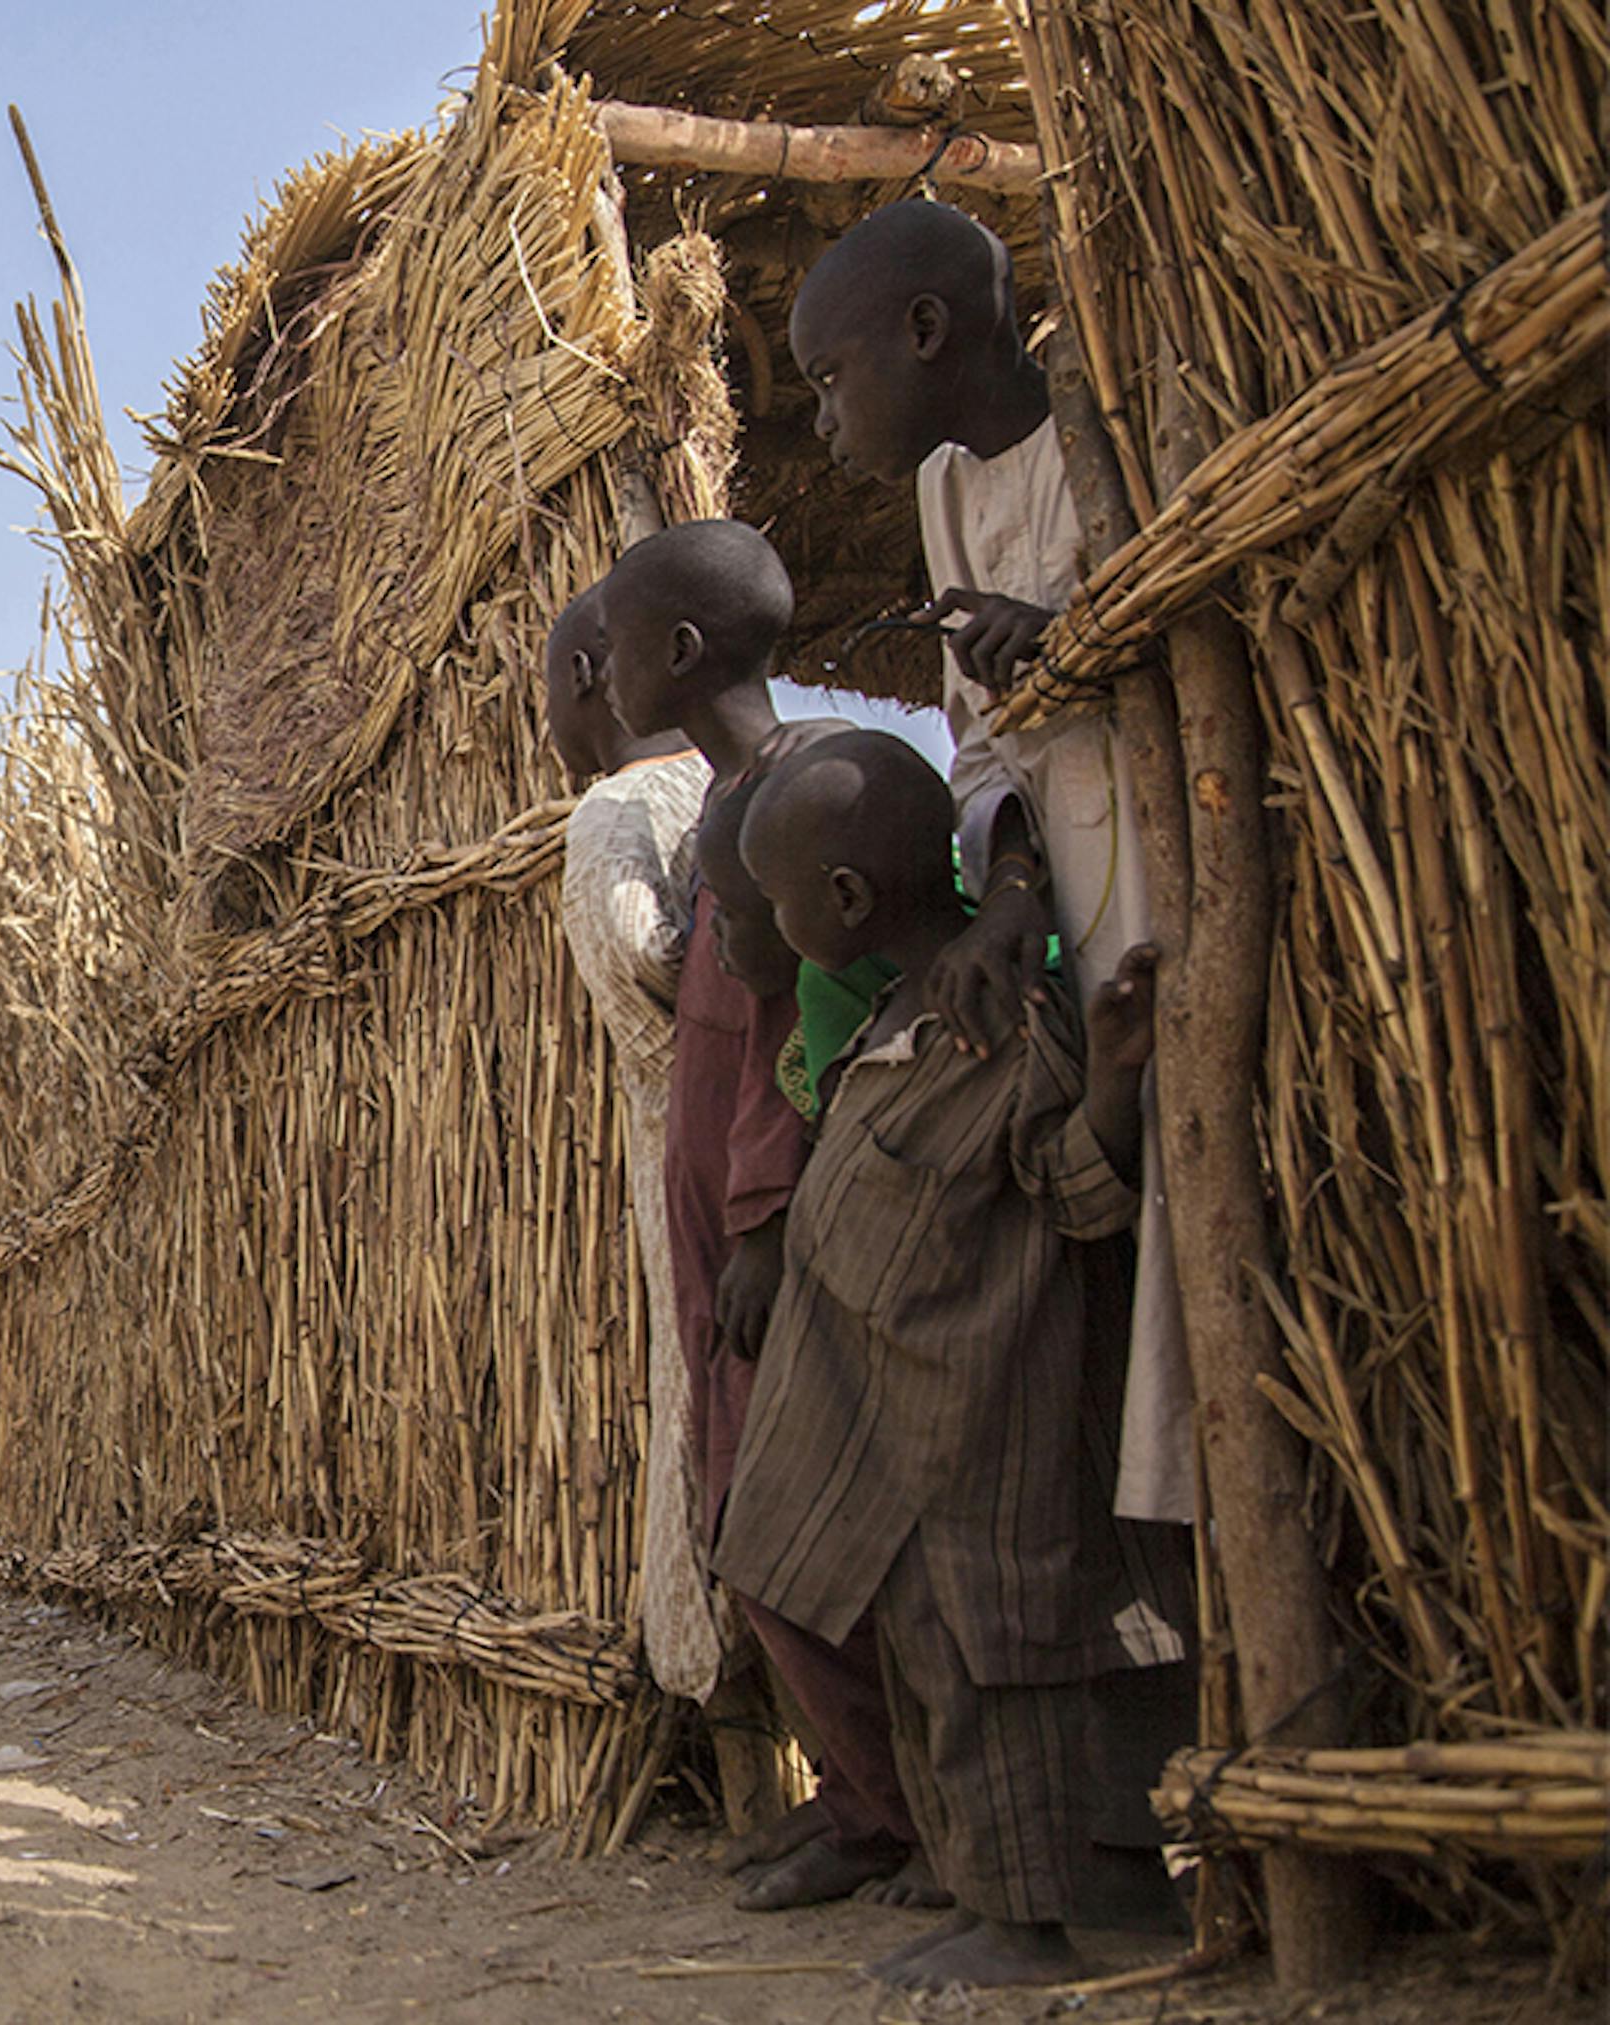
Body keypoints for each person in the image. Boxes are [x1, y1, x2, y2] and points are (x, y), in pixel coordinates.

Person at [790, 202, 1196, 1925]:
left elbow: (1173, 634)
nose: (818, 419)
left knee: (1177, 1345)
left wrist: (1089, 638)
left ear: (934, 332)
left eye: (828, 376)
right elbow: (991, 739)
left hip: (1177, 893)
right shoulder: (947, 494)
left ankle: (1142, 1827)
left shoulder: (1110, 425)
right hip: (1070, 920)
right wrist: (1006, 896)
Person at [713, 730, 1160, 1990]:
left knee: (993, 1661)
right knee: (931, 1658)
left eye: (781, 901)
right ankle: (1001, 1890)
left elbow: (1071, 1192)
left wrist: (1117, 1088)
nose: (774, 925)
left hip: (977, 1409)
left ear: (843, 900)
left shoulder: (1000, 1026)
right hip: (889, 1416)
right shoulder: (907, 1017)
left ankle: (1022, 1924)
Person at [598, 521, 929, 1915]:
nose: (593, 668)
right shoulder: (740, 805)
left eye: (605, 643)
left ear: (675, 653)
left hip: (776, 1247)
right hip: (735, 1243)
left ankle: (897, 1813)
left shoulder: (796, 806)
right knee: (758, 1519)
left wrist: (766, 1223)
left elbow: (808, 1037)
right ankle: (862, 1801)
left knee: (784, 1525)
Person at [539, 584, 724, 1706]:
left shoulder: (615, 814)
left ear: (585, 683)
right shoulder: (731, 789)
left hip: (685, 1148)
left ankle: (710, 1675)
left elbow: (644, 961)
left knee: (700, 1402)